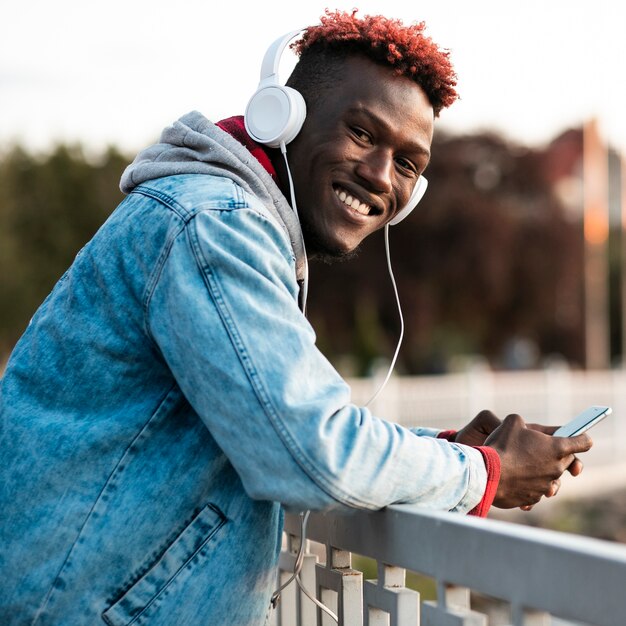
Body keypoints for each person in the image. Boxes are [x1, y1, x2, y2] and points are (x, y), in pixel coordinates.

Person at [0, 9, 591, 625]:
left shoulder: (225, 221)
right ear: (282, 117)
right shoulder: (215, 227)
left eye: (408, 164)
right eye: (362, 133)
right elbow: (312, 453)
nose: (381, 177)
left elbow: (277, 421)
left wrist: (443, 449)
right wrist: (484, 472)